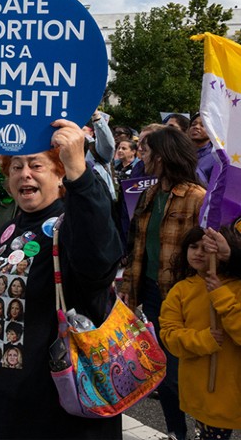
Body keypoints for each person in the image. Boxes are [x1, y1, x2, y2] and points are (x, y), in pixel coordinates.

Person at [0, 119, 123, 439]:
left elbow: (100, 259)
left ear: (60, 174)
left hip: (48, 415)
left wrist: (79, 173)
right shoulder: (10, 228)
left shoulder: (70, 225)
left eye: (36, 164)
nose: (24, 173)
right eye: (15, 166)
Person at [120, 126, 206, 440]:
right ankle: (175, 431)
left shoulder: (197, 197)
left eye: (146, 150)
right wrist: (129, 290)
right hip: (153, 294)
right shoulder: (149, 194)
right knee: (161, 369)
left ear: (163, 155)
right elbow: (137, 248)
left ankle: (198, 429)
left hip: (184, 296)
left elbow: (206, 252)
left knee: (178, 373)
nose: (141, 154)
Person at [160, 226, 241, 440]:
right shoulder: (180, 291)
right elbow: (169, 335)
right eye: (193, 247)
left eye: (206, 248)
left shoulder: (236, 287)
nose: (198, 253)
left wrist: (221, 297)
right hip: (207, 393)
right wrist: (203, 339)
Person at [189, 113, 219, 187]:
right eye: (193, 124)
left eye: (203, 125)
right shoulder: (180, 152)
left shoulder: (216, 158)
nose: (196, 127)